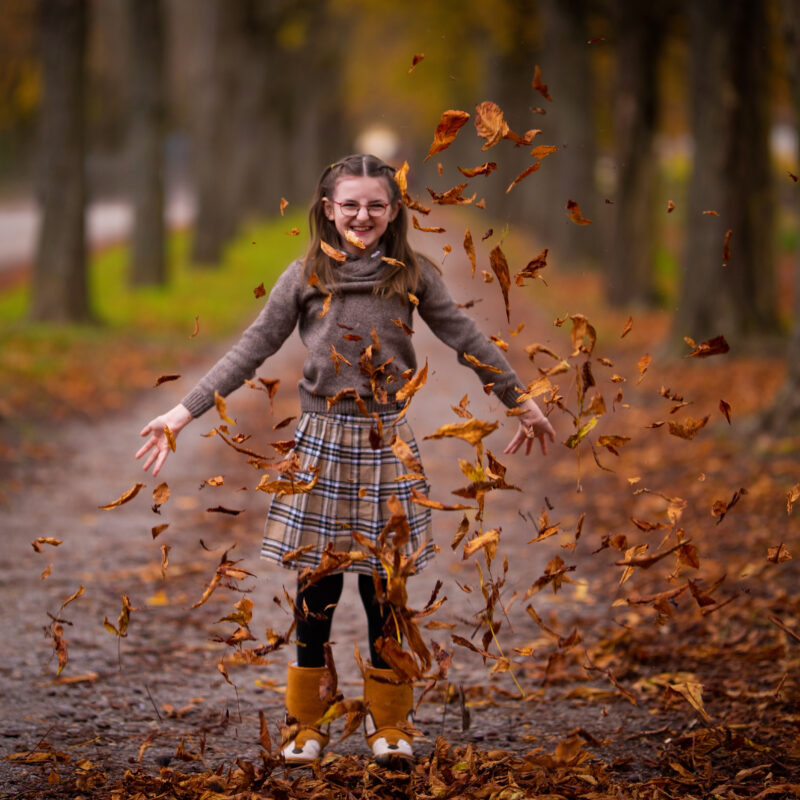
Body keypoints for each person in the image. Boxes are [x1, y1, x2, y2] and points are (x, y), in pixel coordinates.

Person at [135, 153, 555, 766]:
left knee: (386, 593)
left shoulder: (412, 274)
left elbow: (467, 339)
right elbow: (252, 347)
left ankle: (390, 725)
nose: (362, 215)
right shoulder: (303, 276)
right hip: (322, 446)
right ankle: (308, 723)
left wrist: (519, 400)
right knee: (319, 593)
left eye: (375, 205)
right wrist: (183, 412)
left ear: (393, 210)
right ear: (328, 209)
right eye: (350, 204)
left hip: (388, 444)